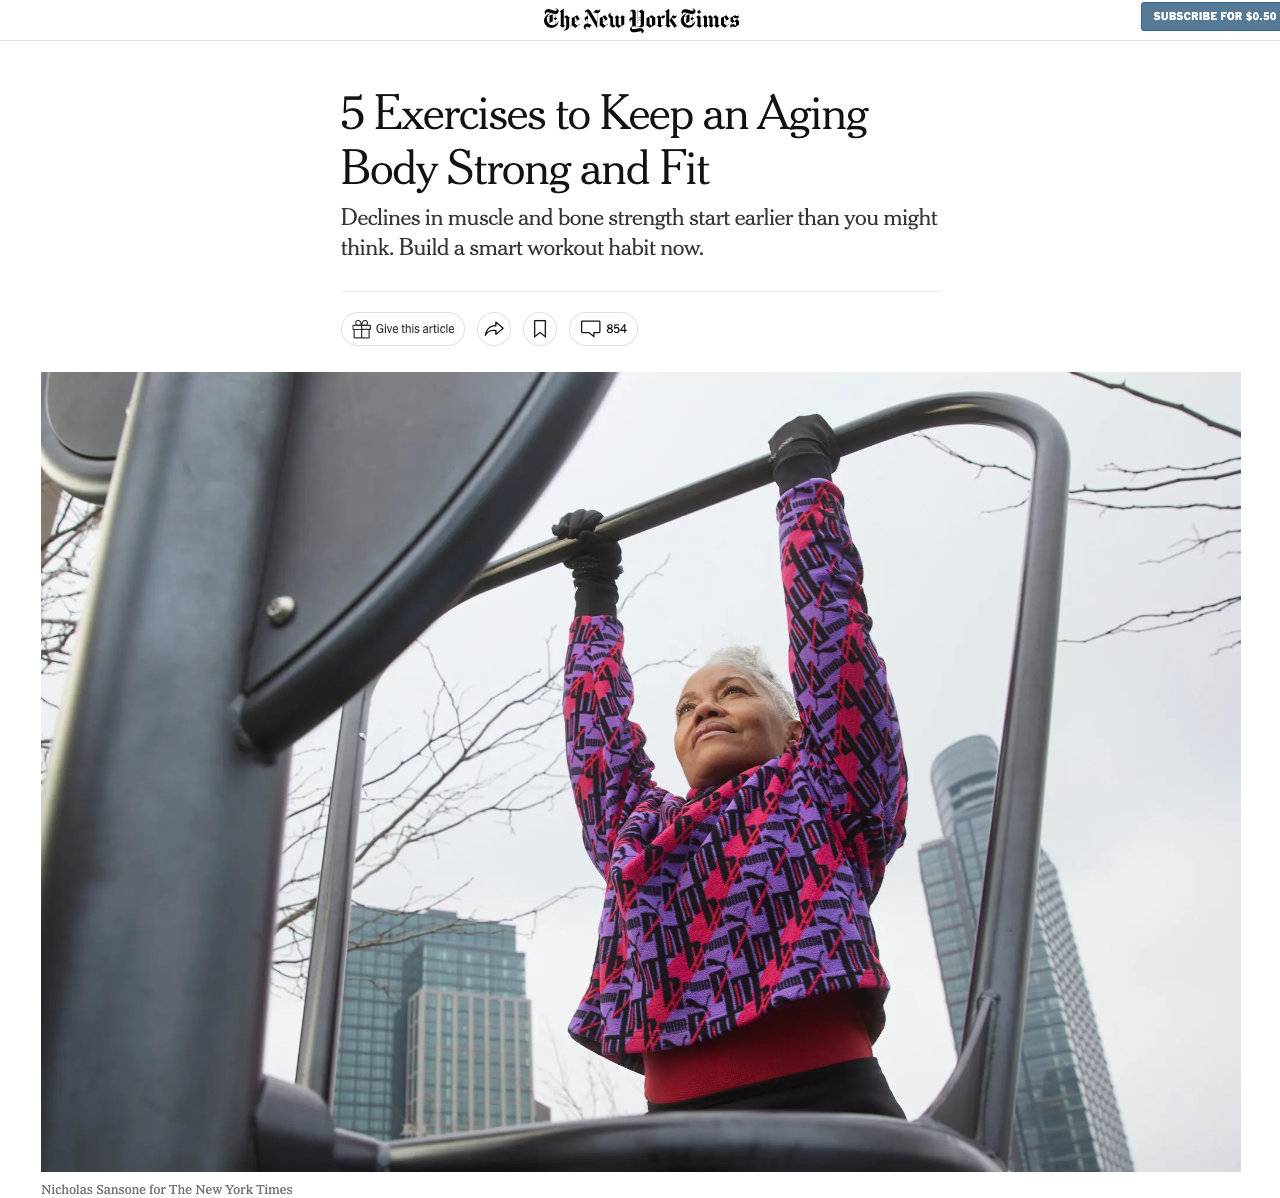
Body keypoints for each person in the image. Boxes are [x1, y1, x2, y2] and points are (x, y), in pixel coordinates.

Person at [555, 414, 909, 1117]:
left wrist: (806, 494)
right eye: (686, 707)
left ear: (796, 725)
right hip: (676, 1126)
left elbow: (833, 645)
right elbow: (595, 743)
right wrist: (594, 595)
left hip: (821, 1101)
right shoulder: (639, 830)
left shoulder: (821, 784)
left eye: (733, 692)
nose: (704, 711)